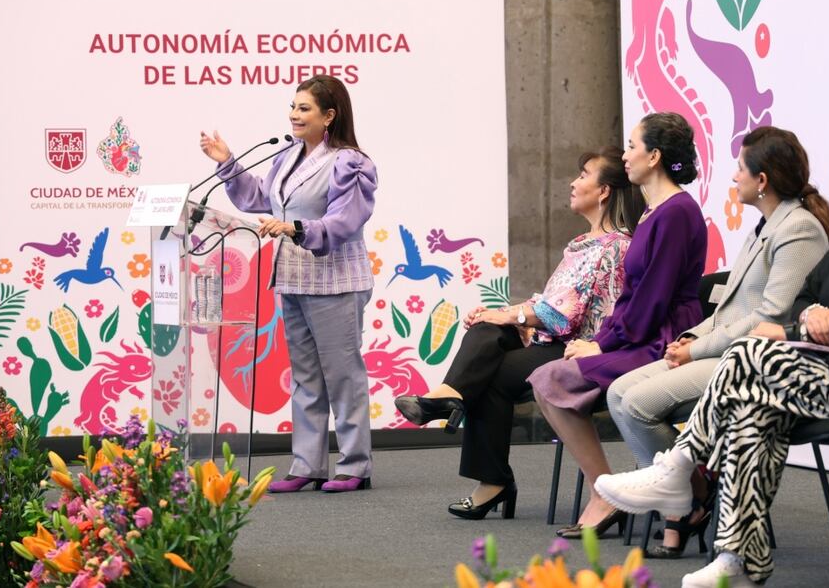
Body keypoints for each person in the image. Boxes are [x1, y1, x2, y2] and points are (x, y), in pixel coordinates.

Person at [595, 127, 829, 587]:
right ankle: (738, 560)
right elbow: (810, 294)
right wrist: (814, 314)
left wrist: (810, 325)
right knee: (754, 415)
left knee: (752, 351)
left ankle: (679, 466)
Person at [606, 126, 829, 558]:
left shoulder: (799, 230)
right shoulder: (764, 227)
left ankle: (682, 503)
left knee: (637, 404)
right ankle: (693, 492)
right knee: (618, 392)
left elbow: (770, 317)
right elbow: (732, 307)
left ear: (762, 180)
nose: (733, 177)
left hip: (757, 363)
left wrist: (697, 348)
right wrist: (692, 337)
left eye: (740, 169)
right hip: (723, 349)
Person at [394, 147, 645, 520]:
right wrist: (505, 315)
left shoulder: (614, 247)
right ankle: (451, 399)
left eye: (583, 175)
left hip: (584, 351)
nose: (573, 183)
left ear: (604, 191)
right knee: (485, 335)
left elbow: (562, 316)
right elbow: (553, 304)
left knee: (489, 371)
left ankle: (487, 472)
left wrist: (510, 316)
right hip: (554, 340)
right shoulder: (583, 245)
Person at [527, 112, 707, 539]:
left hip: (661, 337)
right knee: (548, 378)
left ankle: (682, 486)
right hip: (642, 331)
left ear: (655, 155)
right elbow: (633, 297)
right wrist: (602, 340)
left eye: (631, 146)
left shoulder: (676, 213)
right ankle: (610, 490)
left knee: (552, 378)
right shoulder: (653, 212)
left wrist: (603, 346)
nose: (625, 156)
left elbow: (653, 300)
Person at [199, 75, 377, 494]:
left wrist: (295, 228)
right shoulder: (286, 156)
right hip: (293, 279)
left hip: (336, 281)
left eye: (304, 109)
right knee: (305, 377)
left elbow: (345, 220)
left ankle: (355, 466)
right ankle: (308, 464)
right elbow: (258, 198)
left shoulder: (351, 162)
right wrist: (227, 162)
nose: (294, 115)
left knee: (343, 376)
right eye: (293, 107)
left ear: (329, 116)